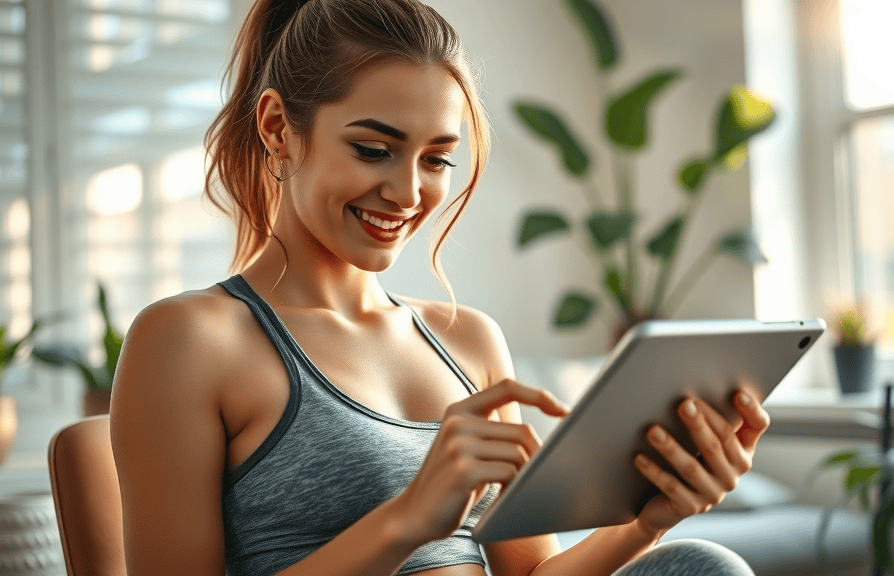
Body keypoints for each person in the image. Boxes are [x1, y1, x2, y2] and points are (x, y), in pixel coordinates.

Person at [109, 1, 768, 575]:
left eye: (436, 159)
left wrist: (648, 519)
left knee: (701, 563)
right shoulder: (191, 340)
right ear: (278, 128)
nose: (407, 192)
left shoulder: (468, 340)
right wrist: (408, 518)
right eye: (374, 149)